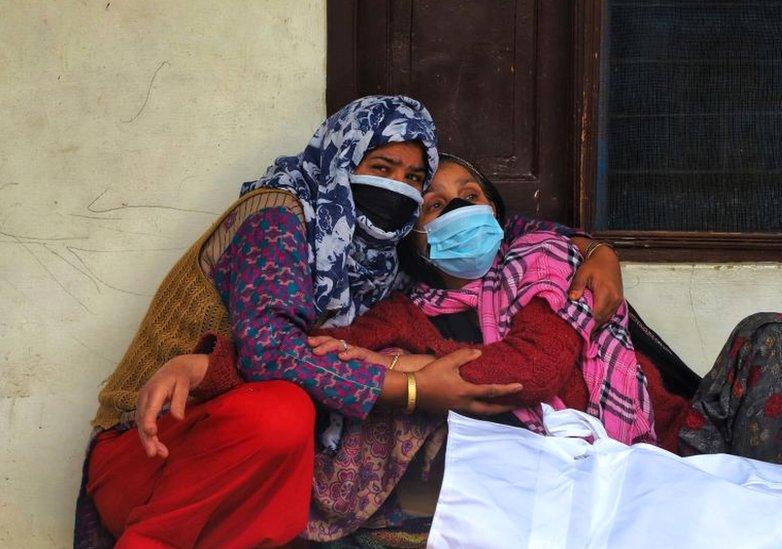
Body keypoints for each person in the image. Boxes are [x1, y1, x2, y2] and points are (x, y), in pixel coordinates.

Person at [146, 153, 782, 546]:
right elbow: (317, 351)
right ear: (413, 242)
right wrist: (204, 364)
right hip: (547, 486)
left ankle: (765, 519)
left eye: (469, 193)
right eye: (432, 204)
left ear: (497, 212)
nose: (455, 208)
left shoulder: (554, 261)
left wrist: (408, 372)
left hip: (657, 446)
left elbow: (538, 367)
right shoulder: (403, 310)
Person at [74, 96, 628, 548]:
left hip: (262, 464)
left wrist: (596, 248)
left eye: (413, 179)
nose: (398, 189)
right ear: (341, 160)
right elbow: (274, 351)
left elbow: (500, 224)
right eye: (380, 168)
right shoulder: (281, 215)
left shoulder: (382, 258)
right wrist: (412, 386)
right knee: (285, 410)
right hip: (159, 440)